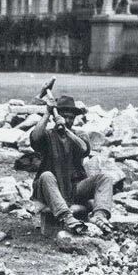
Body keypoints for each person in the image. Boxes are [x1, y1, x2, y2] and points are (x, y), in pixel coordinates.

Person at [30, 96, 113, 235]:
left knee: (105, 178)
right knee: (46, 175)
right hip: (49, 188)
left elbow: (84, 149)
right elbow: (35, 138)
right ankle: (66, 217)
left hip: (73, 188)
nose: (68, 120)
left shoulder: (79, 135)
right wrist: (47, 113)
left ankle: (99, 216)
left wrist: (66, 131)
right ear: (56, 117)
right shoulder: (48, 135)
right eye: (64, 116)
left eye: (71, 118)